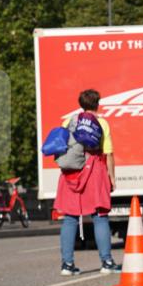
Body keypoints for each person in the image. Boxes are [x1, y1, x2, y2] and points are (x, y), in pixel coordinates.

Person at [55, 89, 122, 276]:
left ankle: (67, 265)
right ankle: (106, 262)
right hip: (94, 170)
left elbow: (61, 147)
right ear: (97, 104)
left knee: (70, 218)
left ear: (81, 104)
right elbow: (108, 153)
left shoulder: (68, 121)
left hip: (71, 172)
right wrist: (112, 177)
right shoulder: (102, 123)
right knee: (100, 216)